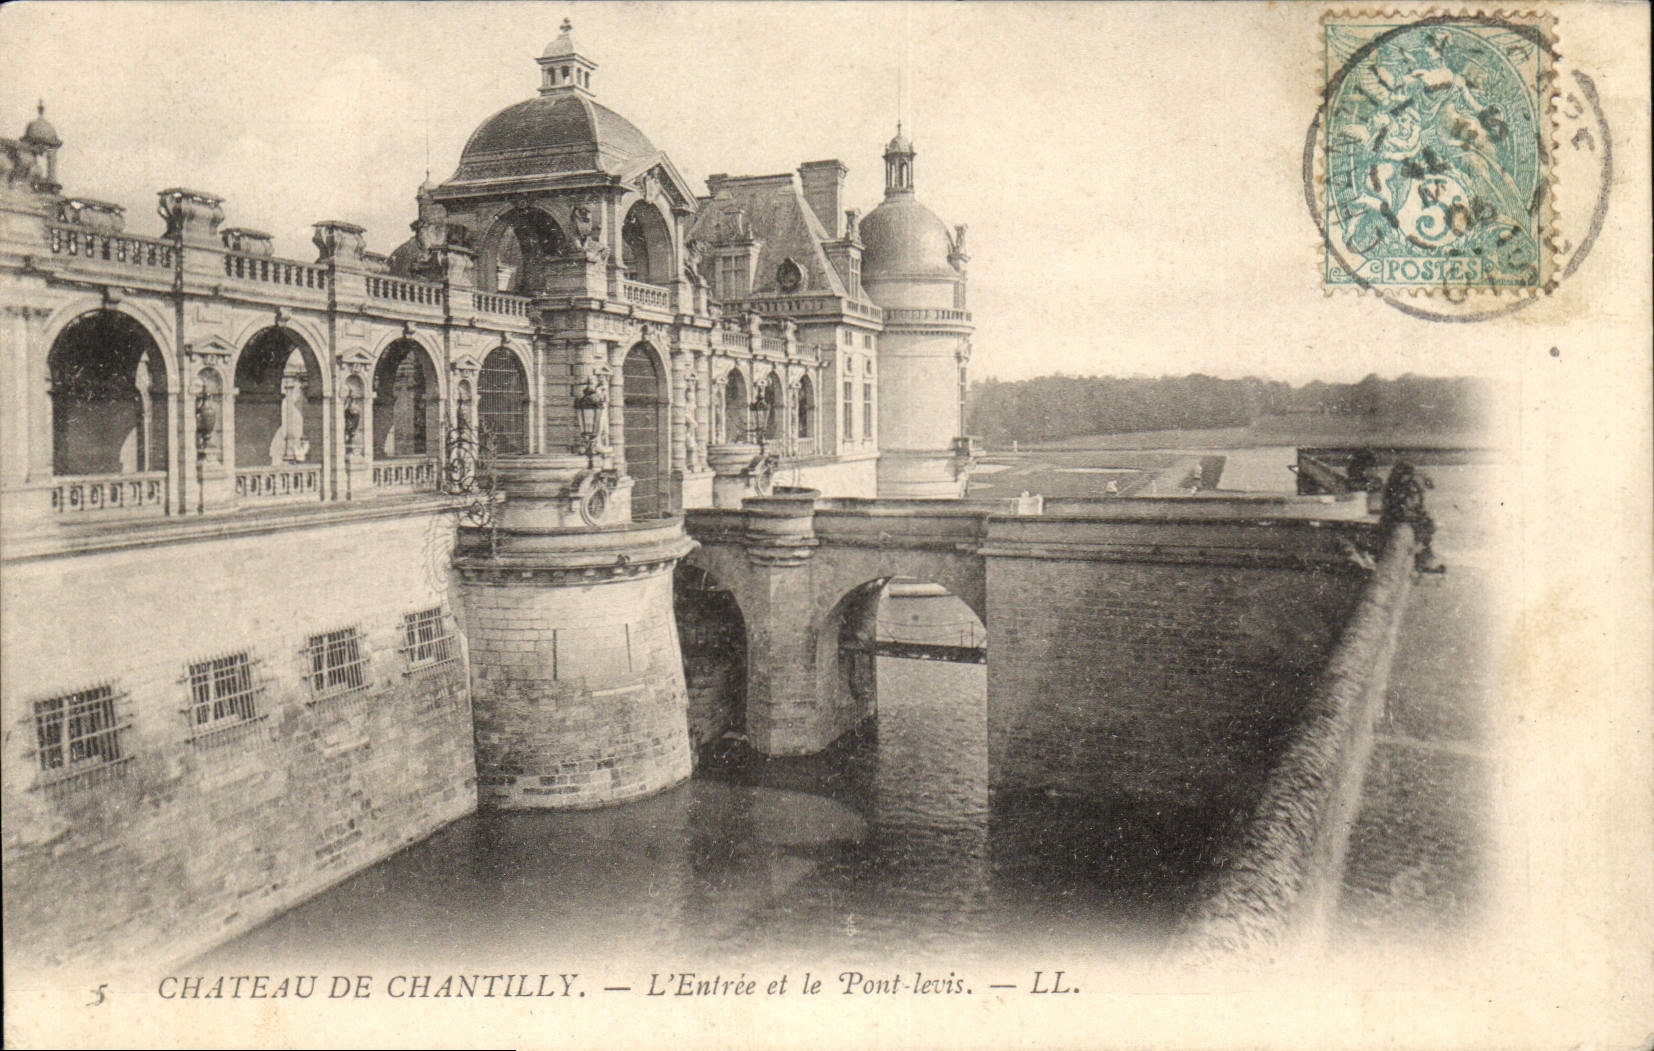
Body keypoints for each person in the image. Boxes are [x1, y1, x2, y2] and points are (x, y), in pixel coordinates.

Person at [1381, 462, 1445, 573]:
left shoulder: (1404, 486)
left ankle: (1423, 560)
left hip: (1406, 518)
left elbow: (1415, 503)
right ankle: (1423, 562)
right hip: (1402, 519)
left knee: (1424, 531)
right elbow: (1402, 507)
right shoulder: (1400, 489)